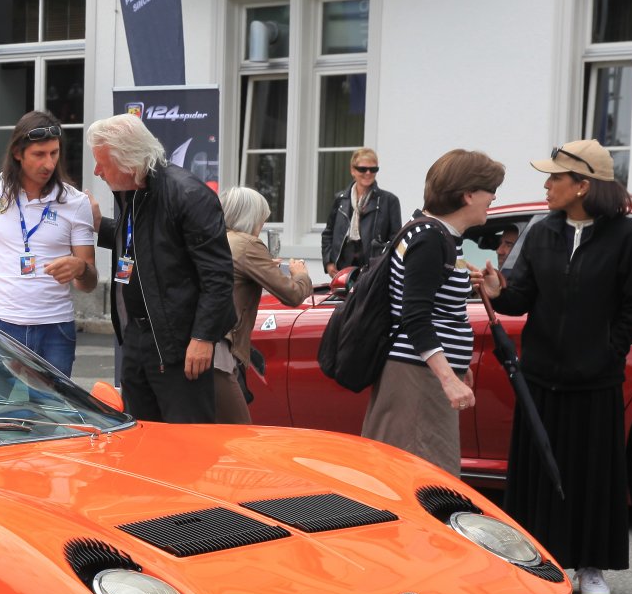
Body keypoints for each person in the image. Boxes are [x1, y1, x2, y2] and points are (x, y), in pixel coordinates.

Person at [485, 140, 632, 594]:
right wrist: (499, 290)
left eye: (555, 178)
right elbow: (522, 298)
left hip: (596, 380)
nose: (546, 186)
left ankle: (591, 568)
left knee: (591, 476)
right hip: (540, 378)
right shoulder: (542, 231)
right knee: (538, 474)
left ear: (582, 186)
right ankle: (539, 563)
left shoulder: (625, 236)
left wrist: (608, 353)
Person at [360, 149, 505, 475]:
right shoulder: (430, 238)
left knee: (421, 475)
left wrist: (455, 363)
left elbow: (436, 304)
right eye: (491, 190)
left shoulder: (438, 235)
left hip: (420, 373)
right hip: (416, 378)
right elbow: (415, 315)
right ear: (468, 195)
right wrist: (447, 377)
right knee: (421, 478)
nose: (494, 198)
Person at [88, 113, 234, 421]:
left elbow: (218, 277)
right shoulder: (133, 192)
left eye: (102, 163)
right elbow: (144, 244)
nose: (97, 171)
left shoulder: (188, 194)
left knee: (186, 437)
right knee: (141, 433)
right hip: (137, 337)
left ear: (128, 160)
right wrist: (100, 226)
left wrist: (203, 337)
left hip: (179, 344)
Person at [0, 112, 96, 375]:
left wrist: (80, 269)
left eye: (54, 153)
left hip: (55, 330)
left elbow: (89, 283)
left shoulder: (75, 202)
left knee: (49, 405)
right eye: (39, 154)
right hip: (0, 325)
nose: (49, 163)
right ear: (18, 153)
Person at [216, 187, 311, 423]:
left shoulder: (216, 240)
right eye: (261, 220)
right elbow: (292, 295)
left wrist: (265, 266)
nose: (261, 227)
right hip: (221, 352)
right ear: (250, 218)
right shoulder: (248, 245)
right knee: (238, 431)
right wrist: (300, 274)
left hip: (196, 345)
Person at [320, 148, 402, 277]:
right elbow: (328, 233)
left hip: (373, 270)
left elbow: (396, 240)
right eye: (362, 169)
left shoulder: (389, 201)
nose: (368, 173)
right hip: (342, 269)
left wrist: (383, 267)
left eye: (373, 169)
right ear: (352, 170)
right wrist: (329, 262)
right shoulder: (341, 199)